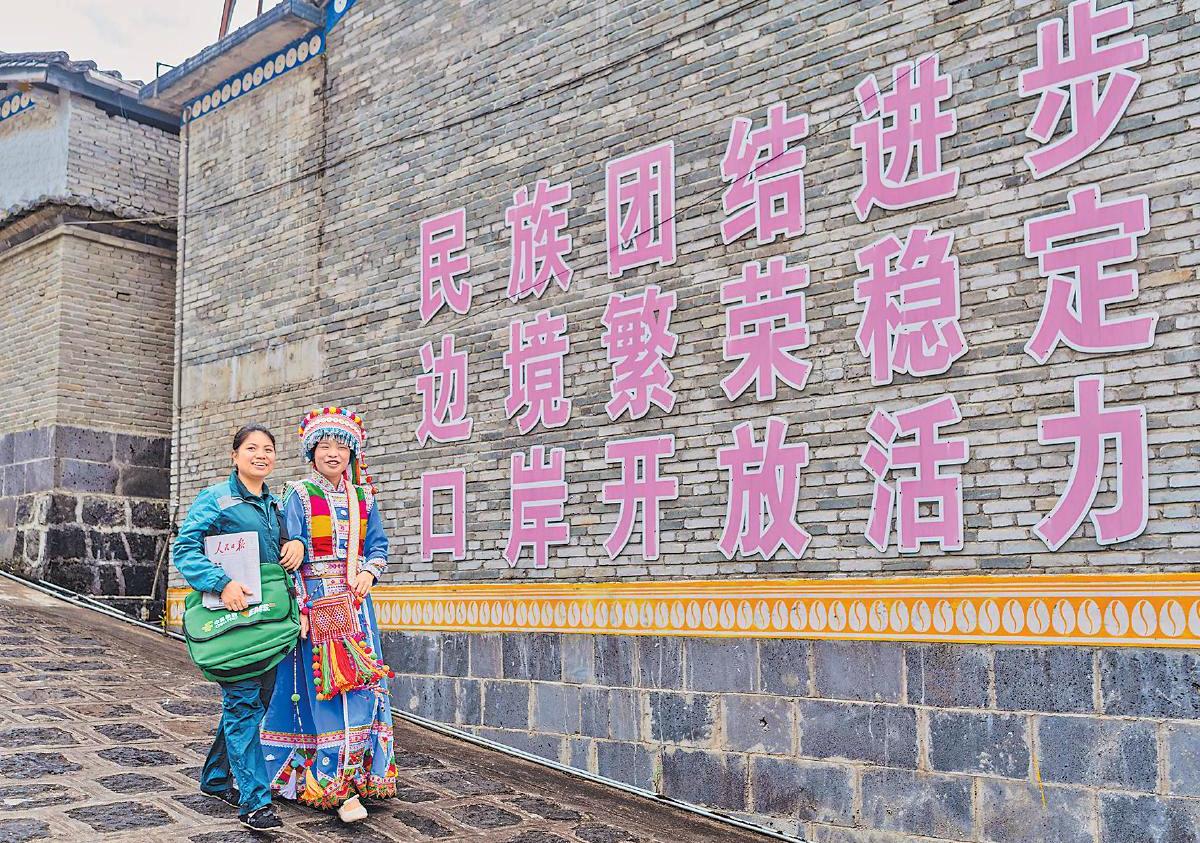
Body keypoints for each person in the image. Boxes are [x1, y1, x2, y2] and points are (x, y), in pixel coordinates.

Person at [262, 407, 398, 823]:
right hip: (316, 605)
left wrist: (369, 573)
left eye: (341, 446)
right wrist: (299, 607)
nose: (333, 453)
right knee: (325, 689)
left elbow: (378, 546)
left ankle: (360, 776)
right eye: (324, 446)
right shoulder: (298, 495)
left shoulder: (363, 498)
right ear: (312, 452)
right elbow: (290, 554)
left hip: (356, 607)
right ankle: (332, 783)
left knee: (362, 687)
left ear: (352, 452)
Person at [173, 423, 306, 832]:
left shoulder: (275, 503)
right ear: (235, 456)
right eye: (252, 448)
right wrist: (221, 582)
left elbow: (283, 548)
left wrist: (295, 542)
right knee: (244, 703)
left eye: (268, 449)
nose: (261, 455)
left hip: (266, 623)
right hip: (232, 620)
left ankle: (216, 778)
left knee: (252, 703)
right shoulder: (216, 499)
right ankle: (255, 803)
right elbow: (185, 549)